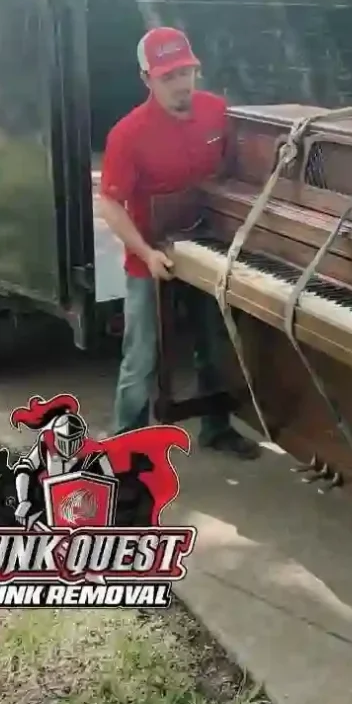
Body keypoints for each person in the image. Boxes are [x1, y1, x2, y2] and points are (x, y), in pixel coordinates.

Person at [98, 25, 261, 460]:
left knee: (214, 344)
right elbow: (111, 204)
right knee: (142, 358)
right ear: (146, 79)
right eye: (168, 76)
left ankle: (216, 427)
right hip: (150, 259)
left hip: (206, 251)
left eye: (185, 72)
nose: (180, 84)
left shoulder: (218, 112)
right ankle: (124, 444)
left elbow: (236, 173)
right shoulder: (127, 134)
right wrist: (146, 251)